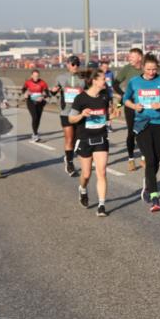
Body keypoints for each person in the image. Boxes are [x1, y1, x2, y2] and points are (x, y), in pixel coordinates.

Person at [122, 53, 160, 212]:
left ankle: (147, 185)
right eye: (148, 69)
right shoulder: (134, 82)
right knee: (150, 159)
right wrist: (134, 106)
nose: (151, 72)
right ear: (142, 67)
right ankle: (155, 197)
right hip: (142, 124)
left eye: (154, 69)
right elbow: (125, 99)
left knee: (156, 160)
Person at [68, 68, 111, 217]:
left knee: (102, 172)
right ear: (95, 81)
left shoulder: (105, 96)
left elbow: (110, 111)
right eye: (103, 79)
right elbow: (71, 119)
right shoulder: (81, 98)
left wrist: (113, 113)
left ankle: (101, 205)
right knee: (86, 175)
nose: (106, 81)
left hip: (101, 138)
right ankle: (83, 189)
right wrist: (82, 114)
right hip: (84, 139)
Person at [51, 55, 85, 176]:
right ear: (68, 65)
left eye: (77, 64)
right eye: (73, 64)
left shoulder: (83, 78)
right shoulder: (61, 77)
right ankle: (70, 163)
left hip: (79, 112)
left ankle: (69, 155)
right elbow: (53, 91)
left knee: (78, 139)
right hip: (66, 112)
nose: (75, 66)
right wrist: (53, 91)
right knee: (69, 138)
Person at [113, 48, 143, 171]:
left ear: (140, 57)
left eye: (132, 56)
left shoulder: (146, 68)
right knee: (131, 132)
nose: (129, 58)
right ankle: (131, 159)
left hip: (144, 105)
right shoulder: (127, 69)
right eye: (129, 56)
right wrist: (123, 95)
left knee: (144, 131)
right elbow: (115, 84)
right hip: (130, 104)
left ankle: (144, 157)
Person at [20, 69, 50, 141]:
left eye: (37, 76)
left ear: (39, 76)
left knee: (38, 119)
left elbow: (47, 93)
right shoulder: (28, 82)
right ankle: (35, 134)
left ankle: (34, 133)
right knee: (35, 117)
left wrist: (43, 97)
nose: (36, 77)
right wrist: (26, 93)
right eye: (34, 76)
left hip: (40, 102)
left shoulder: (43, 83)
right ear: (32, 76)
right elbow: (23, 90)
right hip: (31, 101)